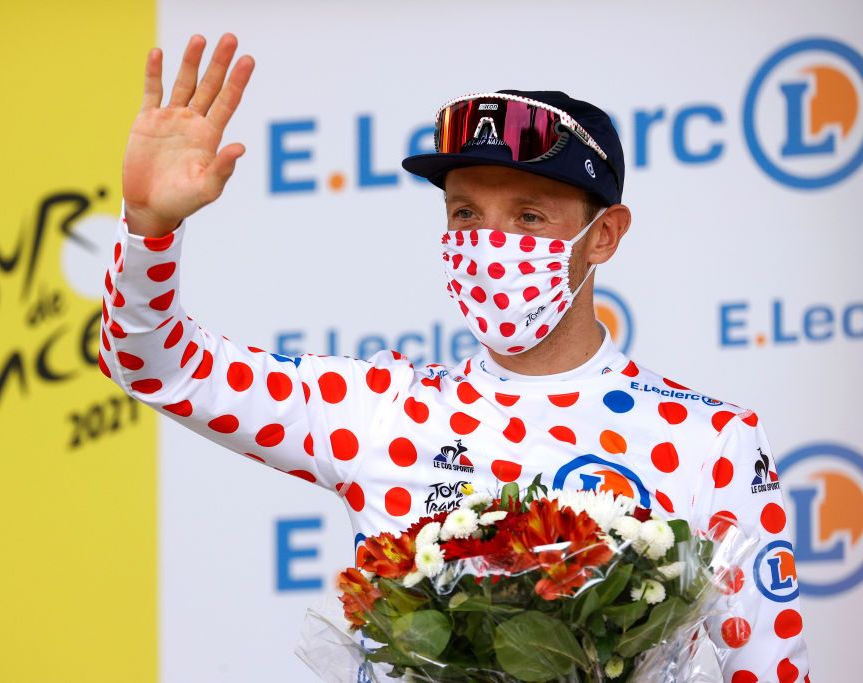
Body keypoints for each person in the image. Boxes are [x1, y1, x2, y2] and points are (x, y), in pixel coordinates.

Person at [100, 33, 811, 683]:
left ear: (605, 235)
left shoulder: (710, 440)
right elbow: (157, 364)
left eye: (528, 216)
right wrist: (150, 228)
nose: (490, 242)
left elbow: (776, 671)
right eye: (465, 214)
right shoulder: (381, 409)